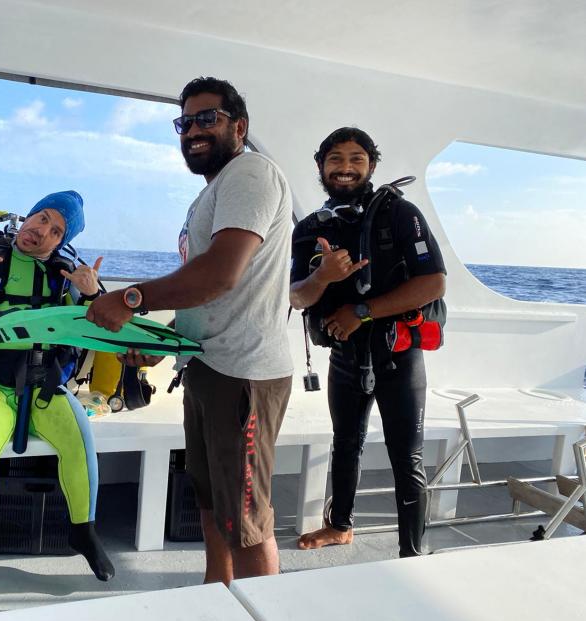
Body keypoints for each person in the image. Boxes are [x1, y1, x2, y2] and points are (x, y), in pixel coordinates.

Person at [87, 77, 294, 585]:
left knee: (245, 519)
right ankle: (216, 601)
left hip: (243, 374)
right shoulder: (212, 193)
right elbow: (219, 295)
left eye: (208, 119)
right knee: (211, 502)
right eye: (185, 122)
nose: (193, 130)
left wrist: (131, 299)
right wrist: (167, 343)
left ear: (238, 127)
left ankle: (264, 615)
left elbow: (219, 273)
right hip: (207, 366)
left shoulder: (250, 175)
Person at [0, 190, 115, 586]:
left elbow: (95, 330)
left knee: (81, 442)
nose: (42, 230)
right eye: (42, 218)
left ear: (62, 243)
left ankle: (83, 532)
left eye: (55, 230)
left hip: (44, 385)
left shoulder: (63, 275)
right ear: (28, 216)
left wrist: (92, 295)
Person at [290, 127, 446, 557]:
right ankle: (340, 526)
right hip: (345, 357)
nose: (345, 167)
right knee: (346, 443)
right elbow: (297, 296)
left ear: (371, 166)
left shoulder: (401, 214)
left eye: (356, 158)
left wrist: (361, 311)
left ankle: (411, 554)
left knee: (406, 458)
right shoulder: (308, 230)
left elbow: (434, 283)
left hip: (398, 356)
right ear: (321, 166)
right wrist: (324, 277)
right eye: (336, 158)